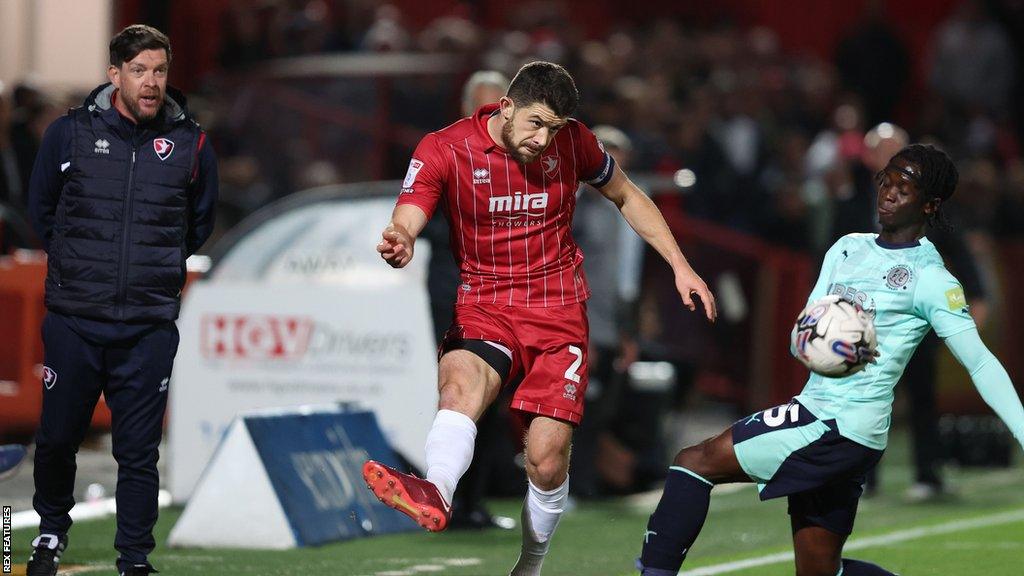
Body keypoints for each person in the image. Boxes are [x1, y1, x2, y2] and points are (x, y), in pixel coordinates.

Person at [363, 61, 716, 575]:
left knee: (546, 460)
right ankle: (436, 491)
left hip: (557, 312)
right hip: (484, 302)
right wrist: (402, 236)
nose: (543, 139)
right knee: (460, 386)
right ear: (505, 107)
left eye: (553, 128)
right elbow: (411, 206)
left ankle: (531, 562)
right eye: (535, 123)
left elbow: (627, 195)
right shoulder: (445, 147)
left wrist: (680, 266)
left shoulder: (574, 141)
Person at [636, 144, 1024, 576]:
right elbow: (799, 336)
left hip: (840, 424)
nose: (889, 194)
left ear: (930, 204)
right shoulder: (846, 248)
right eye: (886, 182)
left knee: (694, 462)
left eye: (905, 188)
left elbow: (980, 363)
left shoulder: (931, 280)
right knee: (820, 571)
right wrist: (825, 343)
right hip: (826, 416)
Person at [25, 25, 218, 576]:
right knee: (58, 438)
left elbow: (197, 223)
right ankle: (49, 535)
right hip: (75, 321)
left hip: (147, 326)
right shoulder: (70, 134)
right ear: (115, 75)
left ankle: (134, 558)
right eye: (139, 71)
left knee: (137, 453)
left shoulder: (192, 144)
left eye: (159, 70)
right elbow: (43, 211)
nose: (151, 82)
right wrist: (82, 267)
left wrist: (148, 270)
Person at [420, 70, 516, 530]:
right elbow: (426, 221)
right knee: (460, 390)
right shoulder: (442, 152)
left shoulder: (518, 158)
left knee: (494, 396)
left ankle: (471, 501)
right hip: (456, 289)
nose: (489, 114)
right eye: (482, 104)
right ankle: (446, 497)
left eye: (498, 105)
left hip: (504, 291)